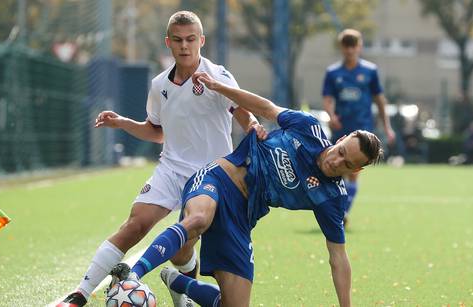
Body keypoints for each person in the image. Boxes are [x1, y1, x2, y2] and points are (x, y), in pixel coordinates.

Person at [111, 71, 384, 307]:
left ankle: (177, 281)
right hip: (219, 178)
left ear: (355, 171)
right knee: (199, 220)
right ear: (341, 138)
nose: (335, 160)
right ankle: (132, 275)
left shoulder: (331, 198)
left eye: (345, 163)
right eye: (340, 151)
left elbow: (338, 257)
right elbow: (265, 107)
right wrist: (220, 88)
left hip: (242, 217)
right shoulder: (309, 128)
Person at [56, 11, 264, 307]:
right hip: (171, 169)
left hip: (210, 176)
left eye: (191, 39)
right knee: (135, 225)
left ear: (201, 41)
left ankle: (179, 288)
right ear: (168, 42)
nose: (185, 46)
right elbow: (157, 131)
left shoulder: (218, 75)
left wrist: (253, 125)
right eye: (178, 40)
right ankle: (80, 294)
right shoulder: (159, 85)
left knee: (182, 251)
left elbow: (240, 108)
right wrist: (123, 122)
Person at [322, 28, 395, 225]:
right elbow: (327, 99)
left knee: (353, 171)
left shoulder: (370, 71)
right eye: (346, 46)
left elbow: (380, 100)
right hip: (341, 131)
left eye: (353, 46)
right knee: (336, 169)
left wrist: (387, 126)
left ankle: (342, 212)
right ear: (342, 48)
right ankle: (338, 209)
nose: (350, 50)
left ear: (359, 47)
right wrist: (330, 115)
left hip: (362, 130)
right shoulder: (333, 73)